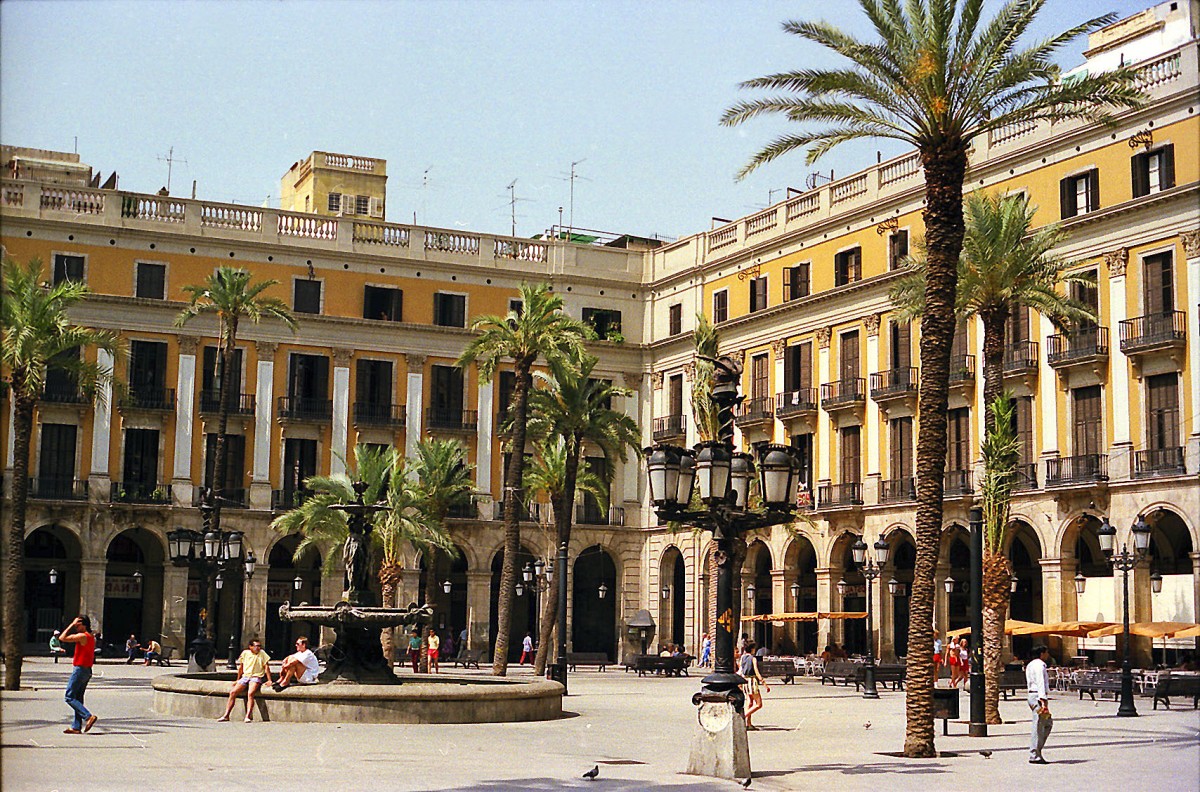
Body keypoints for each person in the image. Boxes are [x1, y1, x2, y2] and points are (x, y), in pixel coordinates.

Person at [58, 615, 98, 734]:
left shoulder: (82, 636)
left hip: (80, 669)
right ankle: (76, 726)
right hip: (87, 670)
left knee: (69, 696)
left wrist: (70, 624)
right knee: (78, 698)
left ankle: (88, 716)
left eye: (78, 624)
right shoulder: (91, 637)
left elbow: (62, 637)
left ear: (84, 624)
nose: (76, 626)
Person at [218, 639, 273, 723]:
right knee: (233, 692)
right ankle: (226, 715)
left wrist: (269, 680)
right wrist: (238, 679)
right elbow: (241, 667)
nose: (258, 648)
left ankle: (248, 716)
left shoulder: (262, 654)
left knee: (250, 693)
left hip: (256, 676)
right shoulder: (245, 653)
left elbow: (266, 667)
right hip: (246, 676)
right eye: (256, 646)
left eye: (259, 646)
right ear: (250, 647)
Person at [1026, 644, 1053, 764]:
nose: (1047, 655)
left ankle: (1037, 750)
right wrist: (1043, 700)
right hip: (1037, 697)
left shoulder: (1030, 664)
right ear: (1042, 653)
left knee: (1047, 723)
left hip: (1032, 695)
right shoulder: (1039, 665)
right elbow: (1040, 682)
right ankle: (1034, 754)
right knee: (1038, 726)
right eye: (1046, 652)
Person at [739, 640, 769, 730]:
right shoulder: (753, 658)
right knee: (759, 704)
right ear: (752, 649)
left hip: (745, 681)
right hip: (752, 681)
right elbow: (757, 672)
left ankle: (749, 724)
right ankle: (743, 717)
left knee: (750, 702)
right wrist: (764, 684)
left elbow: (741, 669)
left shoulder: (742, 657)